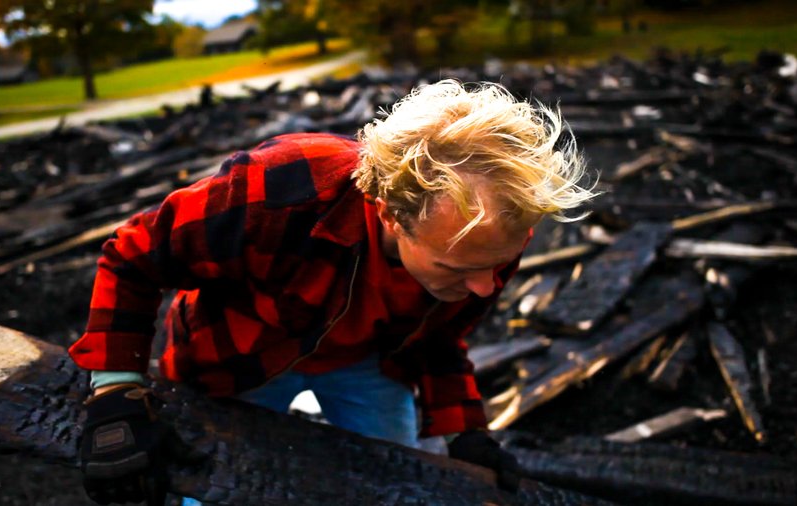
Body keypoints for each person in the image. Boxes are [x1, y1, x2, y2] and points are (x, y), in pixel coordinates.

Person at [70, 79, 596, 504]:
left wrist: (465, 433)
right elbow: (133, 255)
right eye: (456, 268)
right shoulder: (279, 191)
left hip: (370, 359)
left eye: (495, 267)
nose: (486, 286)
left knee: (396, 481)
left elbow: (439, 336)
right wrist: (116, 391)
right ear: (391, 215)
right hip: (241, 350)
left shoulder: (491, 235)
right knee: (211, 480)